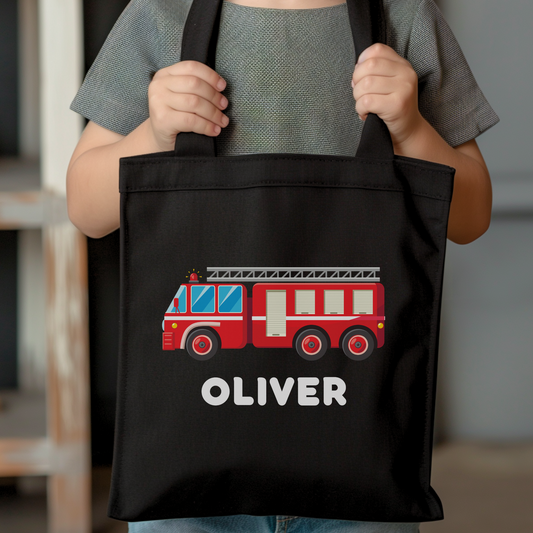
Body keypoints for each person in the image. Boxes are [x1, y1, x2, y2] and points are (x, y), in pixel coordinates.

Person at [66, 0, 499, 531]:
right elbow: (86, 208)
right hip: (189, 487)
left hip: (360, 474)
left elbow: (471, 214)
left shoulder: (404, 19)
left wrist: (411, 129)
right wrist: (152, 136)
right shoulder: (159, 14)